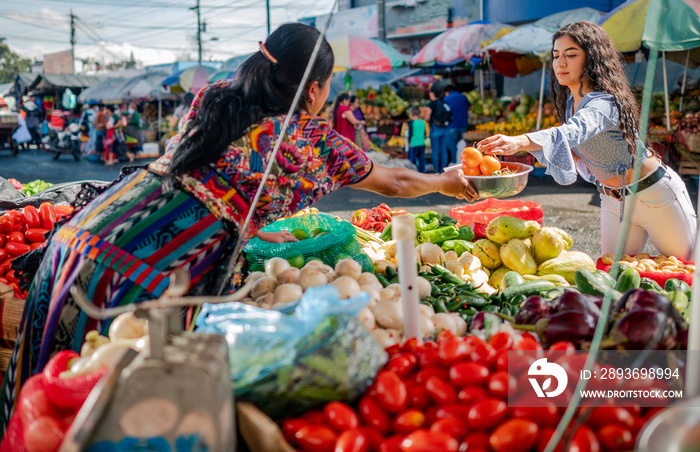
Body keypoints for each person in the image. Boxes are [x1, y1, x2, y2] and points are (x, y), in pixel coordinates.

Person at [1, 22, 477, 424]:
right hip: (134, 269)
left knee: (42, 404)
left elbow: (208, 179)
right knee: (100, 416)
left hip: (82, 237)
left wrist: (257, 226)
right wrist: (446, 181)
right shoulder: (306, 138)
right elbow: (393, 182)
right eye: (328, 86)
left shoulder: (216, 97)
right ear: (313, 90)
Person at [478, 22, 697, 260]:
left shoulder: (604, 102)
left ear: (592, 60)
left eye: (571, 55)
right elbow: (579, 146)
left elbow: (572, 132)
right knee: (614, 280)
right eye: (556, 55)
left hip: (656, 195)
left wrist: (521, 141)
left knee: (688, 273)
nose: (560, 63)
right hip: (614, 201)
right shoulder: (572, 103)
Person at [425, 84, 453, 173]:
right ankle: (444, 170)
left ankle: (436, 170)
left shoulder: (431, 104)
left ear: (432, 94)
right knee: (443, 150)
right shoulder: (445, 103)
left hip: (435, 129)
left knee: (435, 151)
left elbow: (427, 117)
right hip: (445, 129)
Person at [444, 84, 471, 165]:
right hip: (463, 126)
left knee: (453, 148)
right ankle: (464, 164)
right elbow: (470, 107)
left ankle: (455, 165)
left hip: (451, 126)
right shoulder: (463, 97)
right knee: (463, 148)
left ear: (447, 92)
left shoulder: (446, 98)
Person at [407, 107, 427, 172]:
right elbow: (425, 133)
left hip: (414, 143)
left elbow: (410, 134)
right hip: (422, 143)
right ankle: (422, 171)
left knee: (412, 159)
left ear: (411, 114)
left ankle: (413, 171)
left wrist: (408, 142)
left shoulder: (411, 123)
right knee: (421, 158)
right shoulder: (422, 122)